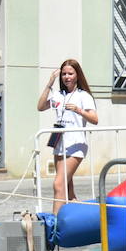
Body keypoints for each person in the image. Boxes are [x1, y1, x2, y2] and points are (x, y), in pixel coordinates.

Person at [37, 59, 98, 214]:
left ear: (77, 75)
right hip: (59, 143)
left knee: (58, 184)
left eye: (70, 73)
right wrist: (49, 83)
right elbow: (41, 106)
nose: (67, 77)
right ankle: (76, 213)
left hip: (76, 145)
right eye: (64, 74)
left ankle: (55, 222)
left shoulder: (84, 96)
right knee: (67, 188)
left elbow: (95, 119)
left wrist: (79, 110)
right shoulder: (59, 95)